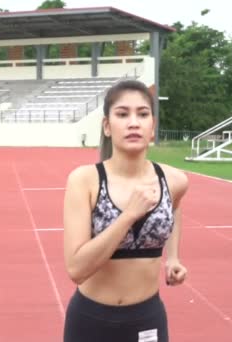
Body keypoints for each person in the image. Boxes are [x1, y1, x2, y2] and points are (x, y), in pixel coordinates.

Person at [62, 80, 189, 342]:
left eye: (142, 114)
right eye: (122, 114)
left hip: (147, 319)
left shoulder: (174, 180)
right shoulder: (85, 181)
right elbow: (76, 269)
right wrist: (129, 215)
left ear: (152, 126)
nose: (134, 122)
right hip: (90, 321)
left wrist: (173, 257)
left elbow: (174, 208)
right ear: (107, 126)